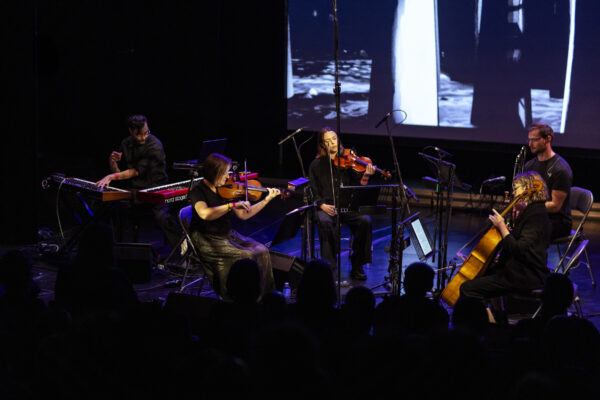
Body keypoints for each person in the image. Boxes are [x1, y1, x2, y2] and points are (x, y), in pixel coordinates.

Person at [188, 153, 278, 299]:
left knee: (262, 251)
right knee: (247, 255)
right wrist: (230, 206)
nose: (227, 176)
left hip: (227, 234)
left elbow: (244, 215)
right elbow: (204, 213)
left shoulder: (225, 189)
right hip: (206, 239)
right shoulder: (198, 191)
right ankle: (243, 298)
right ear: (214, 172)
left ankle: (266, 297)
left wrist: (266, 200)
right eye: (224, 173)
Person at [459, 171, 551, 304]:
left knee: (467, 288)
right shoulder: (532, 211)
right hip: (518, 270)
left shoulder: (536, 215)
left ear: (527, 188)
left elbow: (519, 249)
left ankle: (485, 317)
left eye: (516, 188)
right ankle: (493, 313)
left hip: (524, 276)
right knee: (479, 276)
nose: (514, 193)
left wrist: (502, 227)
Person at [95, 114, 181, 248]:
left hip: (156, 189)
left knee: (162, 217)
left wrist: (110, 177)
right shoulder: (126, 143)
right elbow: (119, 172)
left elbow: (135, 171)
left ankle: (181, 247)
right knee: (110, 208)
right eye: (139, 135)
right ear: (131, 131)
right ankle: (115, 248)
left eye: (146, 133)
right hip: (135, 191)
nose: (143, 137)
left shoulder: (154, 145)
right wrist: (113, 162)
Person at [308, 127, 375, 281]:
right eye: (328, 141)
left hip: (347, 207)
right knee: (325, 222)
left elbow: (358, 188)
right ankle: (330, 268)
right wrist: (322, 205)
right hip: (327, 208)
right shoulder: (316, 165)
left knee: (365, 221)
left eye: (334, 138)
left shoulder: (349, 162)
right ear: (322, 145)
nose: (333, 142)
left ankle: (357, 265)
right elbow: (313, 190)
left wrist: (366, 176)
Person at [524, 123, 573, 239]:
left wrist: (528, 207)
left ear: (547, 139)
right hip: (538, 216)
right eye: (529, 140)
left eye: (534, 140)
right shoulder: (529, 165)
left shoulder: (560, 169)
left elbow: (555, 206)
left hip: (557, 222)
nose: (530, 144)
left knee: (524, 233)